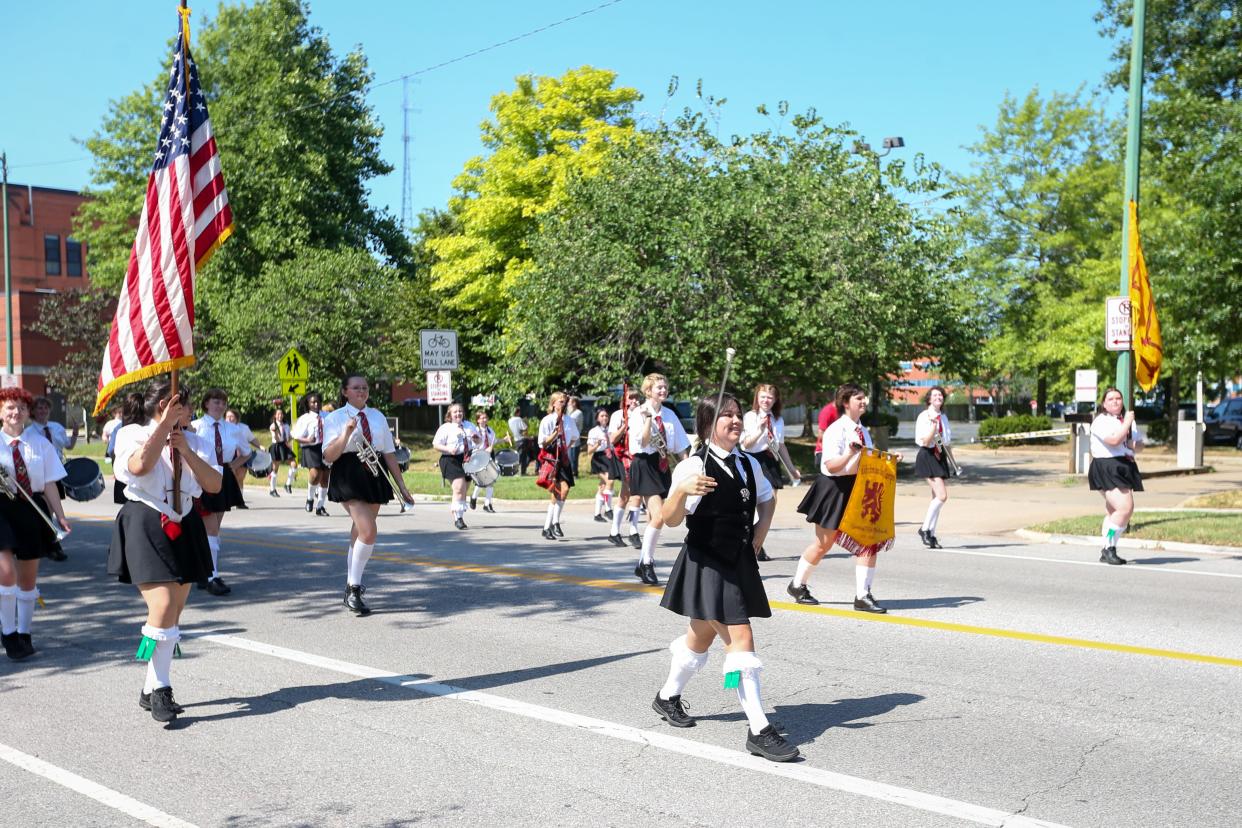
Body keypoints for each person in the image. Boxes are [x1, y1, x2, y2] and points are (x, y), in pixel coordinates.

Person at [650, 391, 797, 762]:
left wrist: (758, 539)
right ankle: (760, 729)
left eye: (737, 415)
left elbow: (768, 500)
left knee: (700, 636)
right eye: (725, 416)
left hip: (738, 562)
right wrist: (681, 492)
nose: (735, 421)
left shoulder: (749, 464)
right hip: (707, 563)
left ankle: (667, 697)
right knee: (740, 637)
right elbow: (668, 519)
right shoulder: (693, 466)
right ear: (706, 425)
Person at [109, 383, 221, 724]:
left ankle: (149, 688)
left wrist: (186, 451)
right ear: (167, 405)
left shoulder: (196, 439)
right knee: (162, 605)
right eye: (184, 408)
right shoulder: (132, 433)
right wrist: (162, 430)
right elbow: (140, 466)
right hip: (145, 518)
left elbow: (214, 485)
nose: (190, 414)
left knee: (174, 611)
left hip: (185, 520)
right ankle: (161, 690)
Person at [792, 383, 900, 613]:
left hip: (858, 489)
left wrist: (890, 459)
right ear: (845, 402)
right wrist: (850, 452)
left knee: (868, 542)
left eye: (864, 398)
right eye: (858, 398)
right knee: (824, 544)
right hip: (833, 489)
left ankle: (863, 595)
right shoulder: (836, 430)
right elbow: (831, 465)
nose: (864, 402)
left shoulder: (864, 430)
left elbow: (867, 461)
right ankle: (797, 584)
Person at [323, 373, 415, 615]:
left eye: (364, 388)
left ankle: (350, 585)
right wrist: (345, 433)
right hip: (347, 471)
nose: (361, 391)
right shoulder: (334, 418)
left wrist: (402, 486)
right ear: (345, 391)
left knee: (360, 530)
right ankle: (353, 588)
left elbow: (389, 453)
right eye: (356, 388)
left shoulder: (377, 416)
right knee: (368, 530)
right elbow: (329, 456)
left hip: (374, 472)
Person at [0, 387, 69, 661]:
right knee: (6, 573)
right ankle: (8, 633)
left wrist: (60, 516)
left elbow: (50, 482)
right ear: (1, 413)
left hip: (32, 508)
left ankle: (25, 632)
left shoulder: (40, 443)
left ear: (28, 413)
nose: (15, 412)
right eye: (9, 408)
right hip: (1, 509)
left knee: (27, 578)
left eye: (21, 408)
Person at [627, 374, 690, 585]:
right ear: (648, 391)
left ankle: (642, 563)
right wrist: (647, 420)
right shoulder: (638, 412)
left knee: (654, 519)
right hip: (644, 463)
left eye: (665, 387)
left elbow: (681, 447)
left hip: (662, 466)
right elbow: (643, 441)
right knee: (660, 515)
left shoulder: (670, 414)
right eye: (659, 388)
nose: (663, 390)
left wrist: (688, 466)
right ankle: (647, 563)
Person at [190, 389, 251, 596]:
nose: (220, 406)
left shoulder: (232, 429)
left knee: (214, 527)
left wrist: (232, 466)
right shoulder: (196, 426)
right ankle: (211, 576)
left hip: (222, 475)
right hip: (202, 475)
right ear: (206, 403)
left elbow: (246, 452)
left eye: (223, 402)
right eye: (216, 402)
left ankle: (205, 572)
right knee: (210, 529)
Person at [740, 384, 801, 562]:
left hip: (770, 460)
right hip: (753, 459)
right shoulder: (750, 417)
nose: (766, 401)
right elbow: (746, 445)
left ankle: (757, 542)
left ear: (775, 400)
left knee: (771, 502)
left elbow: (780, 446)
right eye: (763, 397)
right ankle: (753, 542)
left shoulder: (777, 419)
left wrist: (791, 468)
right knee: (753, 502)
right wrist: (759, 430)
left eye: (770, 398)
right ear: (757, 398)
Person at [1089, 387, 1144, 565]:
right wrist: (1127, 423)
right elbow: (1113, 440)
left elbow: (1136, 444)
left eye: (1118, 398)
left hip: (1124, 465)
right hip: (1107, 466)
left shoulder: (1127, 421)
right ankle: (1108, 547)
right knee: (1125, 509)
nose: (1115, 401)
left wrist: (1135, 443)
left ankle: (1107, 546)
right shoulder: (1101, 421)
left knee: (1114, 511)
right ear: (1104, 403)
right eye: (1110, 399)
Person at [24, 396, 75, 562]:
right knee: (47, 510)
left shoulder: (57, 427)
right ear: (32, 412)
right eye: (39, 408)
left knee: (51, 509)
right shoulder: (29, 432)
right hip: (41, 474)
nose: (42, 411)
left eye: (45, 408)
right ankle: (53, 546)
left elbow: (69, 446)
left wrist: (74, 434)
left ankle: (49, 543)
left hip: (56, 471)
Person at [914, 386, 953, 549]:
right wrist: (933, 428)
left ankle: (931, 533)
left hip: (939, 456)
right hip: (927, 455)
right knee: (942, 496)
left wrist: (952, 462)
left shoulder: (943, 417)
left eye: (940, 395)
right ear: (929, 399)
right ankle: (924, 529)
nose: (938, 397)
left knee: (935, 498)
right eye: (935, 395)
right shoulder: (925, 416)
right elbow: (924, 441)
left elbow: (944, 442)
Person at [536, 392, 579, 540]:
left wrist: (565, 448)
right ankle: (548, 526)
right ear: (553, 403)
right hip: (552, 458)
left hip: (563, 458)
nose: (563, 404)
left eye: (565, 402)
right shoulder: (547, 420)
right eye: (560, 402)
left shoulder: (569, 420)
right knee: (556, 492)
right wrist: (555, 435)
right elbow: (542, 443)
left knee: (564, 490)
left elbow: (574, 438)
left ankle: (554, 522)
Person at [608, 388, 643, 547]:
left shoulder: (643, 413)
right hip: (623, 456)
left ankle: (633, 531)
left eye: (636, 398)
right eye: (631, 398)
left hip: (639, 457)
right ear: (625, 400)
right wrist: (626, 424)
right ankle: (615, 531)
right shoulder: (617, 415)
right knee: (625, 494)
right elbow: (613, 439)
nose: (635, 401)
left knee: (638, 493)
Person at [433, 403, 474, 530]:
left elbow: (478, 441)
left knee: (464, 489)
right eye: (455, 412)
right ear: (449, 415)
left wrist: (477, 438)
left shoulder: (469, 426)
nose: (458, 414)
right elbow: (436, 444)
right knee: (459, 487)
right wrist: (448, 449)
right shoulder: (446, 428)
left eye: (460, 411)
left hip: (467, 458)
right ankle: (458, 518)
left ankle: (457, 511)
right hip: (450, 458)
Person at [292, 392, 330, 516]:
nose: (316, 404)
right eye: (313, 402)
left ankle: (320, 506)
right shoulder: (305, 418)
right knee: (315, 474)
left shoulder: (327, 416)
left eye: (318, 401)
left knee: (325, 477)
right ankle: (310, 498)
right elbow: (296, 436)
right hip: (311, 448)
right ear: (308, 404)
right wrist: (307, 440)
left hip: (325, 447)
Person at [586, 407, 620, 523]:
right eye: (602, 416)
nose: (605, 418)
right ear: (597, 418)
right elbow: (589, 451)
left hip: (610, 457)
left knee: (602, 486)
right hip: (599, 459)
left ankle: (597, 514)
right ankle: (608, 508)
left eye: (606, 415)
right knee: (609, 481)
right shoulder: (593, 431)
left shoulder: (611, 429)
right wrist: (597, 444)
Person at [224, 408, 260, 509]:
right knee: (229, 477)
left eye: (232, 417)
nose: (229, 419)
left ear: (236, 418)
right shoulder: (222, 427)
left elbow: (252, 439)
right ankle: (227, 499)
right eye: (227, 417)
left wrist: (260, 446)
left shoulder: (243, 428)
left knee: (240, 478)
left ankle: (240, 501)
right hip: (228, 455)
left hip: (241, 454)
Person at [468, 409, 499, 513]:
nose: (485, 420)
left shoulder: (490, 430)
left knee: (491, 481)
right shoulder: (474, 431)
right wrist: (484, 450)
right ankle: (473, 497)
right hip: (479, 457)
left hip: (489, 457)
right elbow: (473, 446)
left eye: (486, 417)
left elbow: (494, 441)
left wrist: (503, 440)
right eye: (482, 418)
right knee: (481, 482)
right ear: (478, 420)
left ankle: (487, 504)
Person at [267, 408, 297, 497]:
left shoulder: (286, 426)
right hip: (276, 446)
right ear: (275, 416)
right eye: (278, 414)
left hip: (284, 446)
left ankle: (288, 484)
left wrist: (293, 436)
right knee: (275, 468)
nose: (280, 416)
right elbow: (276, 438)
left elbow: (288, 437)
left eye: (281, 414)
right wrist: (275, 431)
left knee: (294, 464)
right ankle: (272, 489)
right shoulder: (273, 426)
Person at [813, 399, 839, 473]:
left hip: (837, 453)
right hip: (824, 452)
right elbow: (821, 434)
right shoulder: (828, 411)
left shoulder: (843, 412)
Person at [508, 407, 534, 475]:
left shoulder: (510, 420)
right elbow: (525, 428)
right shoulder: (518, 419)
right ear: (518, 412)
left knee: (520, 456)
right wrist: (526, 422)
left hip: (516, 440)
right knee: (523, 457)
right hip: (522, 439)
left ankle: (519, 471)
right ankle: (521, 472)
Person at [567, 396, 585, 474]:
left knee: (573, 458)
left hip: (574, 440)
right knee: (568, 458)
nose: (567, 404)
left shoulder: (578, 412)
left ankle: (574, 473)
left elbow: (570, 421)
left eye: (569, 402)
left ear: (574, 403)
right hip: (568, 440)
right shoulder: (569, 412)